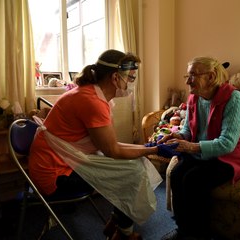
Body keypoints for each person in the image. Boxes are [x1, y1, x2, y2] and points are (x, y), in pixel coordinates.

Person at [29, 49, 179, 240]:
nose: (131, 84)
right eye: (131, 78)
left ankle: (119, 223)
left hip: (63, 161)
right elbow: (112, 150)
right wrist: (155, 149)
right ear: (116, 78)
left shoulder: (92, 95)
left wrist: (149, 148)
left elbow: (111, 145)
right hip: (54, 175)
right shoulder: (92, 102)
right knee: (131, 172)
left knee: (133, 166)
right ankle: (123, 232)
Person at [158, 57, 240, 240]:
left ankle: (199, 235)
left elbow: (227, 143)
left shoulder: (233, 98)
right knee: (177, 174)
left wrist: (191, 147)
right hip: (201, 152)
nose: (187, 81)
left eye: (193, 76)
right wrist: (177, 136)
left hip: (231, 156)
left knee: (194, 180)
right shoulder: (194, 98)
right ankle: (183, 230)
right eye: (187, 76)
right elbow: (187, 129)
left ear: (211, 77)